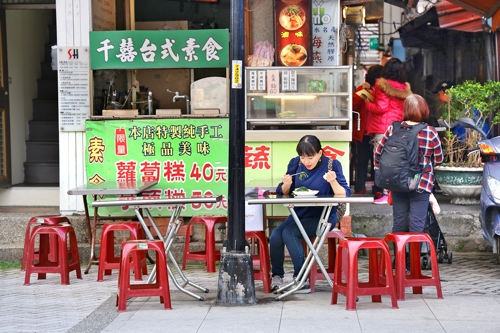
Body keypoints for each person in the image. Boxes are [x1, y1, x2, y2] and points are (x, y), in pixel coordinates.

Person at [270, 135, 351, 293]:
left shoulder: (332, 165)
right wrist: (286, 185)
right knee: (275, 235)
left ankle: (301, 280)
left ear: (320, 153)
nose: (306, 161)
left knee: (289, 232)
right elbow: (284, 192)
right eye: (303, 157)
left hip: (324, 216)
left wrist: (333, 181)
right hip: (300, 214)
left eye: (310, 157)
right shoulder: (295, 164)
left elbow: (344, 194)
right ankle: (277, 277)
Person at [374, 94, 443, 235]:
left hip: (398, 182)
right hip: (421, 184)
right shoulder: (430, 131)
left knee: (399, 222)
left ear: (405, 110)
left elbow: (378, 154)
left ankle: (399, 256)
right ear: (424, 110)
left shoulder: (393, 129)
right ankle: (414, 256)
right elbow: (438, 159)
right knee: (417, 224)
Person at [365, 58, 412, 204]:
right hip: (398, 127)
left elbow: (381, 108)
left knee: (380, 161)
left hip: (382, 128)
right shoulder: (405, 88)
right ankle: (396, 194)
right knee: (396, 161)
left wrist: (368, 104)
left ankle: (386, 194)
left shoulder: (382, 85)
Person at [352, 65, 383, 194]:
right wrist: (361, 91)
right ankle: (360, 187)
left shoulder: (384, 90)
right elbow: (353, 105)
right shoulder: (363, 88)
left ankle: (378, 188)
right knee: (363, 159)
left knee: (376, 160)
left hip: (377, 130)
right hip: (364, 130)